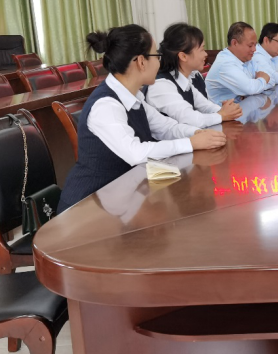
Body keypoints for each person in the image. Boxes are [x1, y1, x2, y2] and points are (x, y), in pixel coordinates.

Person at [58, 25, 226, 213]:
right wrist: (191, 143)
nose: (160, 63)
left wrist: (198, 133)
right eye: (156, 56)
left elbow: (166, 127)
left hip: (121, 198)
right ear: (141, 62)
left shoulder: (133, 96)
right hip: (88, 207)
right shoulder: (106, 105)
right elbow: (135, 153)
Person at [146, 23, 243, 127]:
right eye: (201, 49)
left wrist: (225, 110)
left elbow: (204, 105)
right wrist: (221, 115)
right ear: (183, 56)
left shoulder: (185, 79)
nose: (205, 54)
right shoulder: (161, 85)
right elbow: (190, 118)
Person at [206, 22, 273, 104]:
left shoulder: (246, 58)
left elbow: (271, 79)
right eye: (250, 45)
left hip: (243, 106)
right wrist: (263, 79)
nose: (254, 49)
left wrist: (257, 84)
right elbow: (251, 88)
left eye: (255, 45)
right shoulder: (225, 63)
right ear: (235, 43)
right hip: (224, 111)